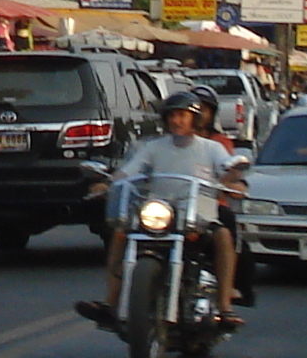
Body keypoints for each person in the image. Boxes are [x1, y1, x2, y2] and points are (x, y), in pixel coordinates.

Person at [77, 90, 247, 330]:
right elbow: (131, 169)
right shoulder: (153, 147)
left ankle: (224, 307)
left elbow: (228, 169)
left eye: (182, 115)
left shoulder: (211, 148)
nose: (177, 121)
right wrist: (108, 182)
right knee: (120, 234)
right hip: (159, 214)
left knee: (223, 235)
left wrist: (233, 178)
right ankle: (110, 304)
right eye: (172, 116)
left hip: (199, 216)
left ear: (195, 118)